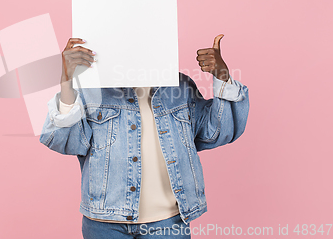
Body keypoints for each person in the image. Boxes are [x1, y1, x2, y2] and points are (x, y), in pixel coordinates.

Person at [39, 35, 250, 238]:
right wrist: (66, 82)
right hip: (105, 224)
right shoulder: (92, 89)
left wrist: (222, 78)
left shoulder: (181, 86)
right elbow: (67, 141)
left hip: (168, 223)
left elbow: (216, 132)